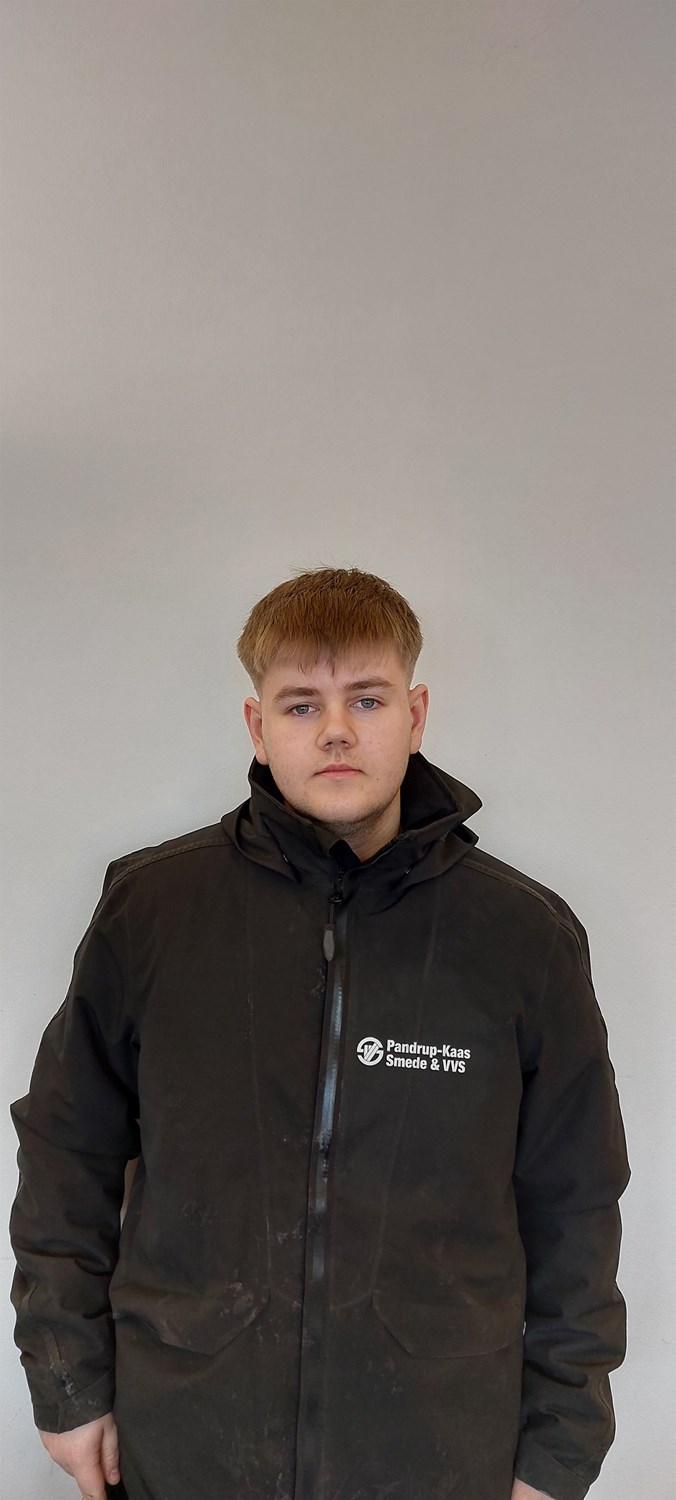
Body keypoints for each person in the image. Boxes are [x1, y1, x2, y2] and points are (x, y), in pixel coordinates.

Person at [9, 565, 629, 1500]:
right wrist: (66, 1383)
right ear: (257, 726)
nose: (336, 730)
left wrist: (561, 1450)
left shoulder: (522, 936)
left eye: (367, 699)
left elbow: (576, 1200)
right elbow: (68, 1152)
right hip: (189, 1442)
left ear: (415, 715)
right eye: (301, 704)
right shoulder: (153, 908)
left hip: (439, 1453)